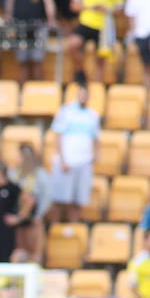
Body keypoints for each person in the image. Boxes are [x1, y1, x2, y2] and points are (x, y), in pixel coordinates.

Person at [48, 82, 99, 222]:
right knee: (59, 199)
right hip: (66, 161)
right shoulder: (65, 111)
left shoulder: (93, 115)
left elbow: (95, 138)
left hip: (84, 162)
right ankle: (55, 229)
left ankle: (73, 230)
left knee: (78, 200)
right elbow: (57, 136)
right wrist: (62, 159)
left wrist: (95, 155)